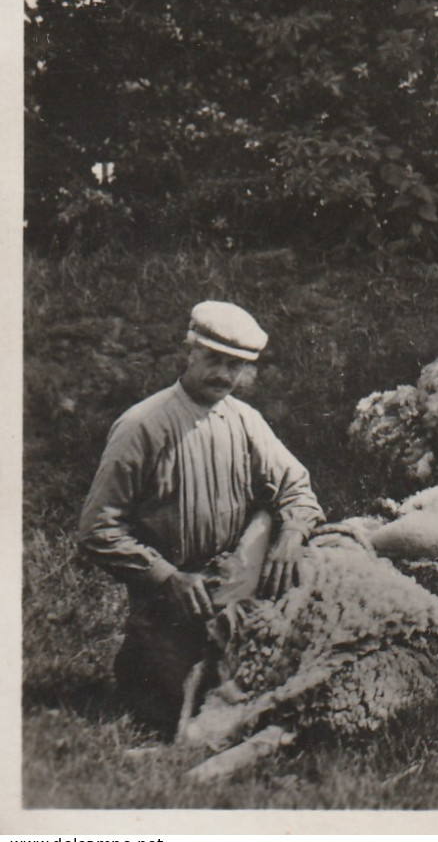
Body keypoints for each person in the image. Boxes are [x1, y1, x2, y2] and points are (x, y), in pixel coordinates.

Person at [78, 301, 325, 732]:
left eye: (236, 366)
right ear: (189, 351)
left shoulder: (245, 421)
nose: (224, 376)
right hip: (170, 602)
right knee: (180, 708)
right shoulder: (143, 425)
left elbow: (296, 488)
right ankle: (146, 666)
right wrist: (166, 576)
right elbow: (98, 529)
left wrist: (293, 534)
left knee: (284, 691)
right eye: (214, 360)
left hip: (239, 589)